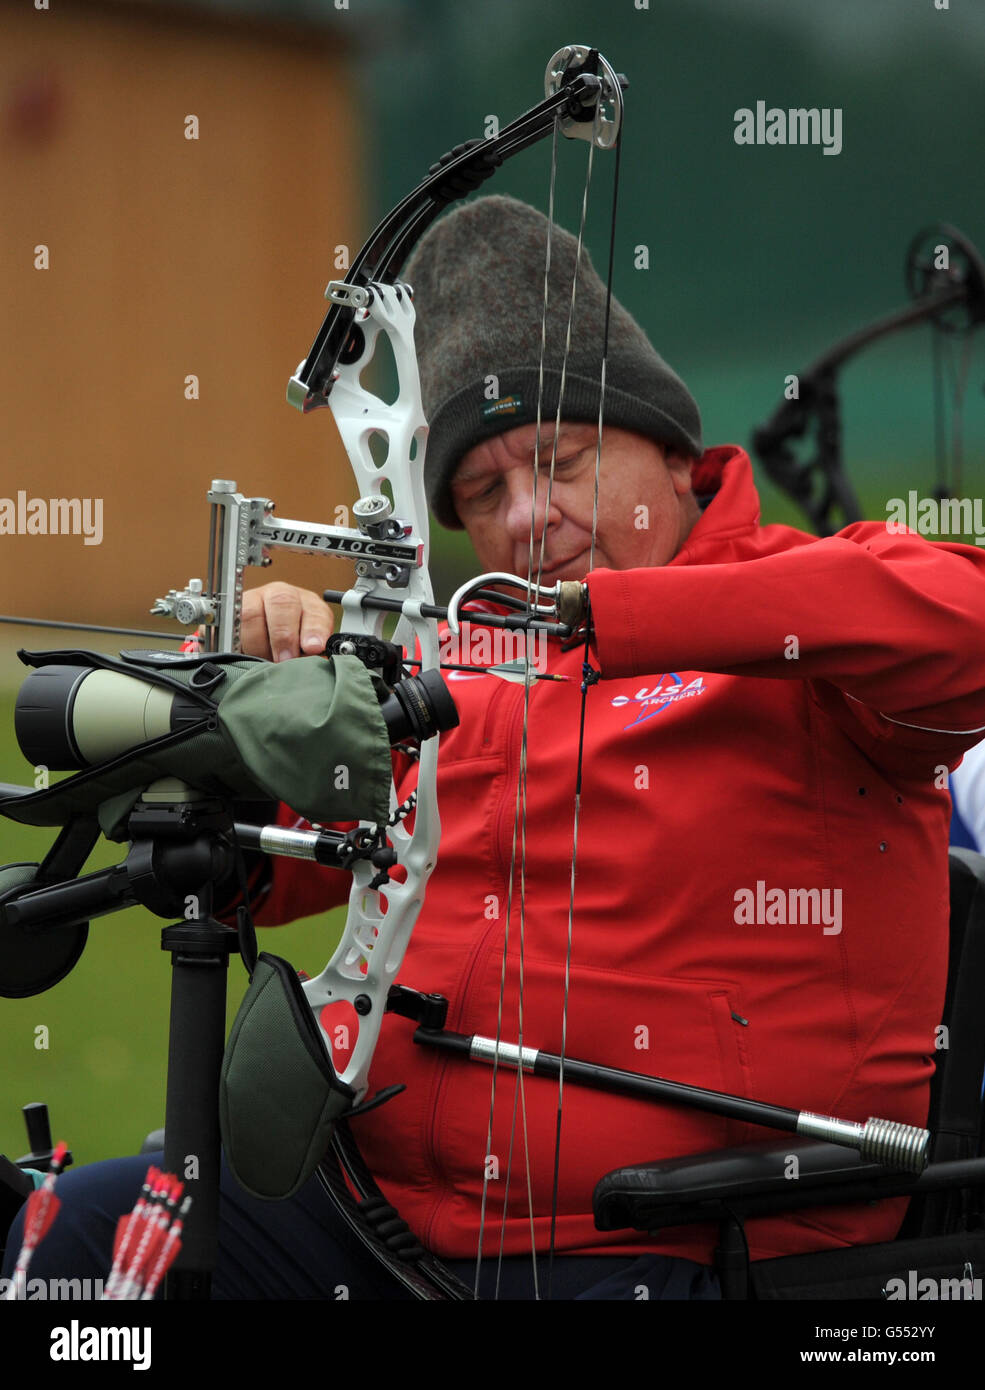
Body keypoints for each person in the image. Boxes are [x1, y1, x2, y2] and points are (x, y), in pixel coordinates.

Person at [5, 195, 985, 1300]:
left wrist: (627, 616)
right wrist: (243, 665)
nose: (525, 518)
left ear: (672, 453)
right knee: (76, 1250)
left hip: (665, 1232)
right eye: (483, 490)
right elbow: (261, 868)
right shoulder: (450, 655)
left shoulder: (796, 627)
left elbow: (965, 628)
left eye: (562, 463)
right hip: (374, 1212)